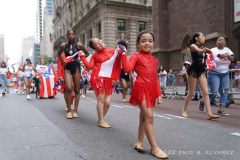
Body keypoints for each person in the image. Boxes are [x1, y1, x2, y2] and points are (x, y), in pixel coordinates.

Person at [121, 30, 168, 159]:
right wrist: (124, 55)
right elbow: (126, 69)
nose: (147, 43)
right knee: (149, 116)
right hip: (140, 88)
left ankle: (139, 142)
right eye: (143, 41)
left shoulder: (154, 60)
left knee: (143, 116)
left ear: (153, 43)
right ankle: (154, 148)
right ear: (138, 43)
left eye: (150, 41)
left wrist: (158, 93)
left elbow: (155, 77)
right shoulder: (135, 56)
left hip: (151, 90)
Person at [80, 38, 121, 128]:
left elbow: (117, 64)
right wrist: (82, 57)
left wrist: (117, 77)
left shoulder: (113, 51)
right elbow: (90, 66)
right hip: (97, 78)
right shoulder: (95, 55)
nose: (100, 43)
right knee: (101, 100)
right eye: (96, 44)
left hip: (109, 79)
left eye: (99, 41)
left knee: (107, 103)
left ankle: (100, 119)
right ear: (95, 49)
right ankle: (101, 120)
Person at [181, 32, 220, 120]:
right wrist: (203, 51)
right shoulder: (193, 46)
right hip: (193, 71)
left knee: (205, 92)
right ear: (196, 38)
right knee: (191, 93)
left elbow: (206, 58)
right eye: (202, 36)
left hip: (201, 71)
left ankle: (209, 113)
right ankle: (184, 110)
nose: (204, 38)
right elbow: (197, 50)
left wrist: (211, 55)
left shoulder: (203, 48)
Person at [199, 37, 235, 115]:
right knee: (213, 92)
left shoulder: (227, 50)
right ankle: (202, 101)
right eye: (219, 40)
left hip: (225, 73)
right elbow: (204, 59)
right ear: (216, 43)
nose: (221, 41)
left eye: (223, 40)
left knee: (224, 91)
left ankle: (221, 109)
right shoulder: (212, 50)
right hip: (214, 73)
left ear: (225, 43)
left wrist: (227, 56)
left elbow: (234, 59)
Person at [58, 30, 89, 119]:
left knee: (77, 89)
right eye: (69, 34)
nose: (71, 36)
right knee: (68, 88)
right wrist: (63, 60)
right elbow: (59, 54)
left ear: (75, 35)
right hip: (67, 68)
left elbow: (86, 53)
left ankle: (75, 111)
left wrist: (81, 59)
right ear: (67, 36)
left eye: (73, 34)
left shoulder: (79, 45)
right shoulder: (63, 45)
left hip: (76, 67)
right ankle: (68, 110)